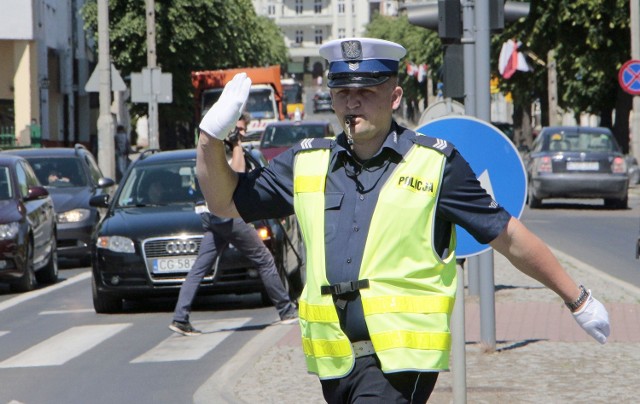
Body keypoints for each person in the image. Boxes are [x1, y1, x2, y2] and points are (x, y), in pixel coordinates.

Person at [194, 38, 610, 402]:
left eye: (366, 91)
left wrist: (577, 298)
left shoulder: (436, 163)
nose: (352, 102)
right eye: (342, 91)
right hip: (334, 357)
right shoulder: (308, 160)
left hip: (401, 358)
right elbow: (224, 202)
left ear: (394, 97)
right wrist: (210, 136)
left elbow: (508, 237)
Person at [169, 112, 298, 337]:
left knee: (200, 266)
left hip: (211, 214)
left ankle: (180, 317)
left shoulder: (210, 144)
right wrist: (237, 145)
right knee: (264, 258)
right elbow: (237, 175)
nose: (241, 133)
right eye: (238, 129)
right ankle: (286, 311)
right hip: (226, 215)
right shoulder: (224, 149)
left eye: (242, 129)